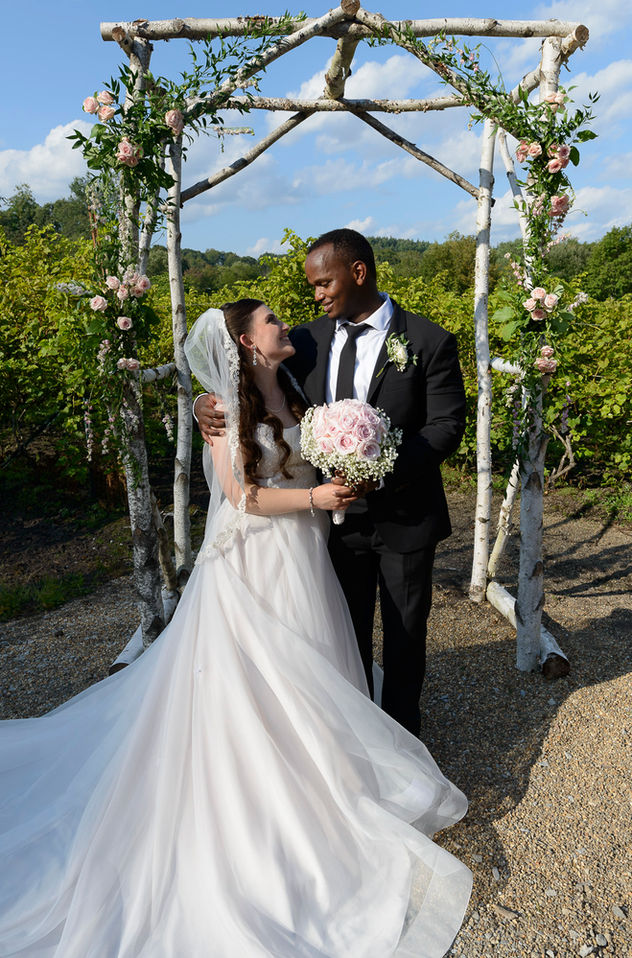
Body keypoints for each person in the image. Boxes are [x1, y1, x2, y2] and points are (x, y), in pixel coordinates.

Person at [0, 300, 471, 957]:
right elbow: (244, 493)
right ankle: (275, 791)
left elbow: (373, 427)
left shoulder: (298, 382)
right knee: (266, 671)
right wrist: (313, 495)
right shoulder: (224, 407)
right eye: (273, 321)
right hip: (257, 556)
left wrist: (348, 464)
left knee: (316, 664)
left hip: (309, 553)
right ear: (246, 345)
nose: (290, 325)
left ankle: (331, 770)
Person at [196, 229, 466, 737]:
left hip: (406, 512)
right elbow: (243, 377)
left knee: (407, 634)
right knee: (344, 633)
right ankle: (358, 736)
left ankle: (405, 737)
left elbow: (446, 427)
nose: (316, 295)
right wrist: (202, 408)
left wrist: (379, 473)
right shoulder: (305, 339)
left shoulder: (429, 340)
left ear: (357, 273)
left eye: (323, 283)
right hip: (327, 523)